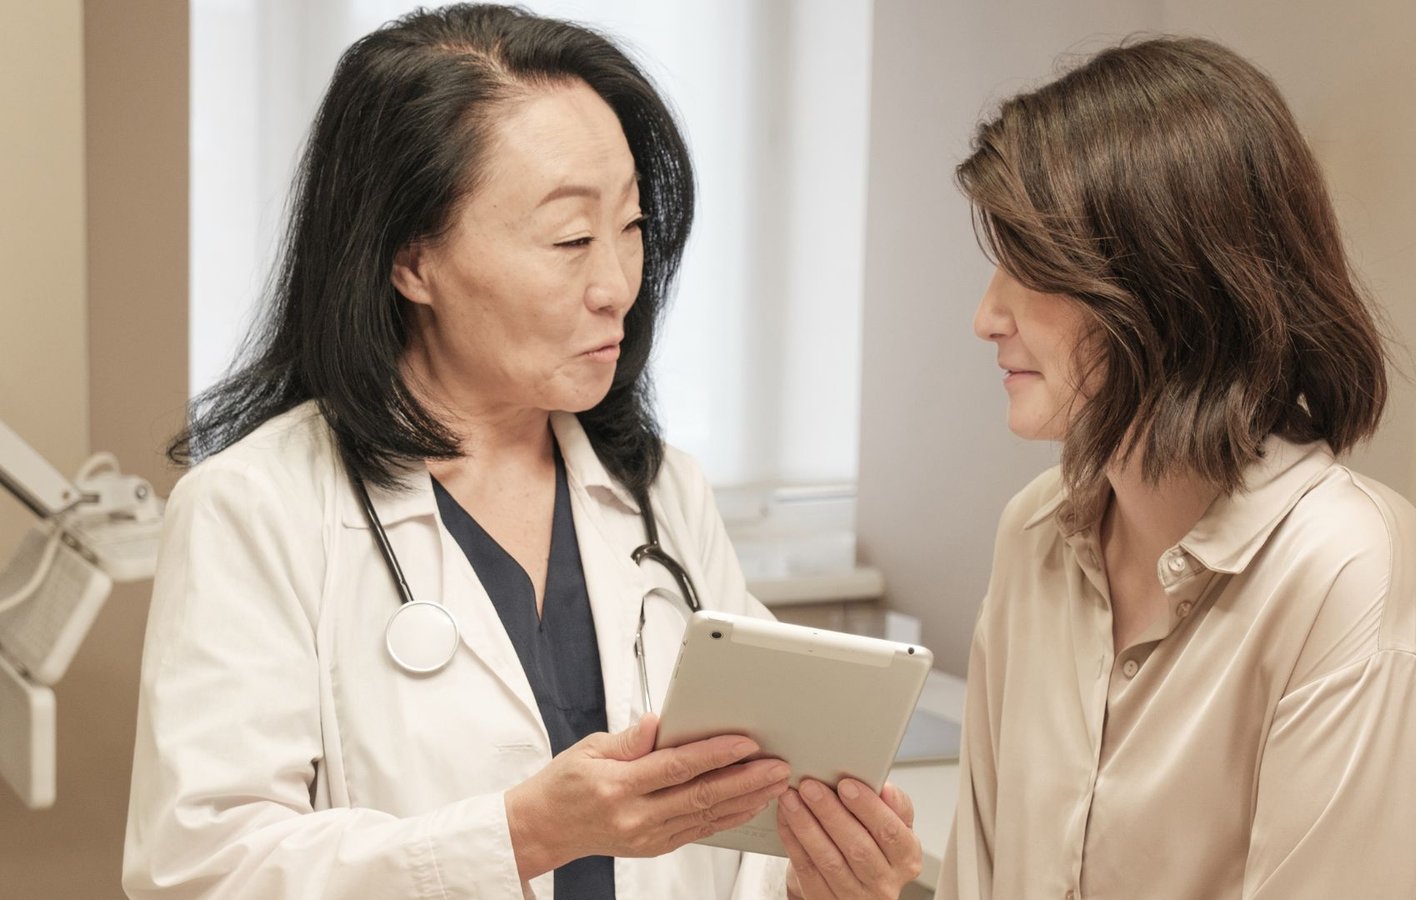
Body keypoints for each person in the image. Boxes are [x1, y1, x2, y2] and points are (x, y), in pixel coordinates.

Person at [122, 6, 920, 899]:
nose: (618, 284)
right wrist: (522, 834)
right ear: (410, 261)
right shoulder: (257, 508)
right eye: (571, 239)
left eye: (630, 227)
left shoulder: (659, 492)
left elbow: (734, 846)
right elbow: (199, 871)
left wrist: (823, 876)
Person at [938, 37, 1416, 899]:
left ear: (1164, 284)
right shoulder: (1036, 535)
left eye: (1030, 264)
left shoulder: (1346, 571)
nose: (986, 316)